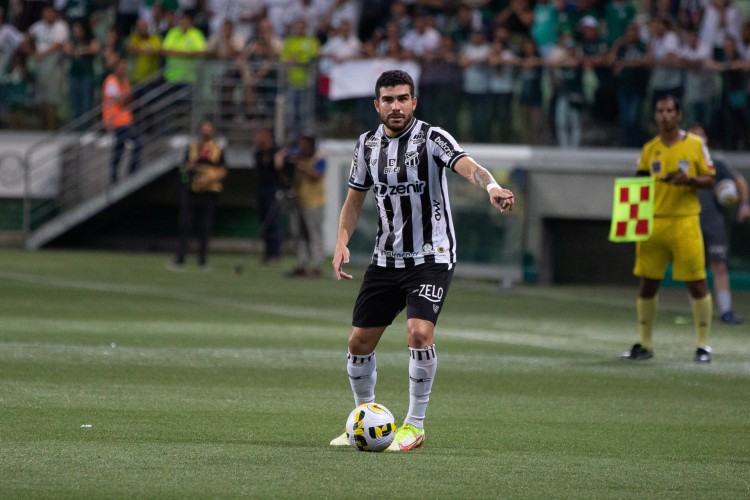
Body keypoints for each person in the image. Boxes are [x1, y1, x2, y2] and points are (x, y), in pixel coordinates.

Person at [329, 70, 515, 451]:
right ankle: (365, 421)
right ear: (376, 105)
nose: (395, 106)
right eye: (388, 99)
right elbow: (353, 200)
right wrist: (341, 242)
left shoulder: (432, 138)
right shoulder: (366, 146)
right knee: (359, 342)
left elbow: (468, 166)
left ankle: (414, 424)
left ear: (414, 101)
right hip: (386, 259)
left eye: (402, 98)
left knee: (419, 332)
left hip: (432, 256)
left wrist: (492, 186)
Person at [620, 95, 716, 363]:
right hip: (653, 223)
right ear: (656, 116)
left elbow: (710, 179)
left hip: (685, 221)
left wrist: (691, 180)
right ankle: (645, 344)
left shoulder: (696, 145)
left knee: (696, 282)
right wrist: (630, 219)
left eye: (669, 111)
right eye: (660, 111)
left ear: (678, 115)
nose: (664, 116)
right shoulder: (650, 148)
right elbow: (638, 185)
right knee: (647, 283)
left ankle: (703, 345)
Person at [688, 124, 750, 324]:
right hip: (689, 221)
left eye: (702, 136)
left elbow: (740, 181)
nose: (699, 140)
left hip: (714, 222)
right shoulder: (683, 162)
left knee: (719, 265)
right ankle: (698, 312)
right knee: (694, 268)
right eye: (694, 137)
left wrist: (744, 205)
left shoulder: (716, 161)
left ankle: (726, 311)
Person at [167, 120, 228, 271]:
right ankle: (180, 260)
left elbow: (223, 170)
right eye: (204, 128)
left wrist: (209, 179)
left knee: (205, 227)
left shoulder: (217, 149)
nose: (206, 131)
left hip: (209, 192)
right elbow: (183, 169)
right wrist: (188, 172)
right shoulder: (192, 148)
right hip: (191, 192)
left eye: (209, 128)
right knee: (184, 225)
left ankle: (202, 261)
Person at [279, 135, 326, 278]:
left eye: (303, 145)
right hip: (299, 201)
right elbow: (286, 156)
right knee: (299, 235)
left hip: (314, 203)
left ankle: (317, 266)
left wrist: (300, 165)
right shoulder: (300, 156)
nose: (301, 148)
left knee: (314, 235)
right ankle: (301, 264)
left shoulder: (319, 158)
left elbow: (316, 175)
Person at [102, 54, 142, 185]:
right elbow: (119, 99)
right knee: (136, 143)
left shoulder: (126, 82)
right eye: (121, 65)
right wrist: (126, 96)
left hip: (125, 121)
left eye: (125, 65)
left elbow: (128, 100)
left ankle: (117, 177)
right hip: (115, 121)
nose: (124, 68)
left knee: (120, 149)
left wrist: (125, 96)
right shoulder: (111, 80)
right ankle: (125, 175)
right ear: (116, 67)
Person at [253, 127, 284, 265]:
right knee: (264, 221)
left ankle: (275, 253)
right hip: (261, 189)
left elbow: (279, 168)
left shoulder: (276, 151)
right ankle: (267, 252)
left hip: (272, 189)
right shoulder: (259, 152)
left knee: (273, 222)